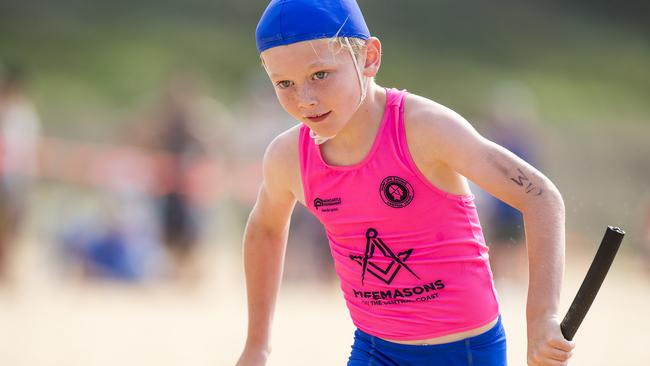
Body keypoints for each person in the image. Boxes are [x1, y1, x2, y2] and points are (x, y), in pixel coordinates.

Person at [237, 1, 575, 365]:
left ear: (369, 57)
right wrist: (257, 345)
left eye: (320, 75)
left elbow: (541, 197)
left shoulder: (423, 128)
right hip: (374, 349)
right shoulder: (289, 157)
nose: (305, 99)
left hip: (464, 351)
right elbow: (265, 229)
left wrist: (542, 317)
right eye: (284, 84)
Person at [0, 64, 41, 284]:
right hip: (7, 173)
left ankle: (9, 267)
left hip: (18, 174)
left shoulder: (24, 112)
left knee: (15, 223)